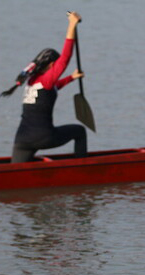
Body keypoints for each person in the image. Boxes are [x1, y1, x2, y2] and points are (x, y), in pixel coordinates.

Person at [1, 12, 87, 163]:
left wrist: (71, 78)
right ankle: (85, 169)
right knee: (79, 131)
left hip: (22, 141)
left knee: (15, 174)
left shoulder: (31, 80)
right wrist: (71, 25)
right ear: (53, 65)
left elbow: (51, 89)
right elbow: (66, 57)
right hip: (43, 137)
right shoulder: (47, 80)